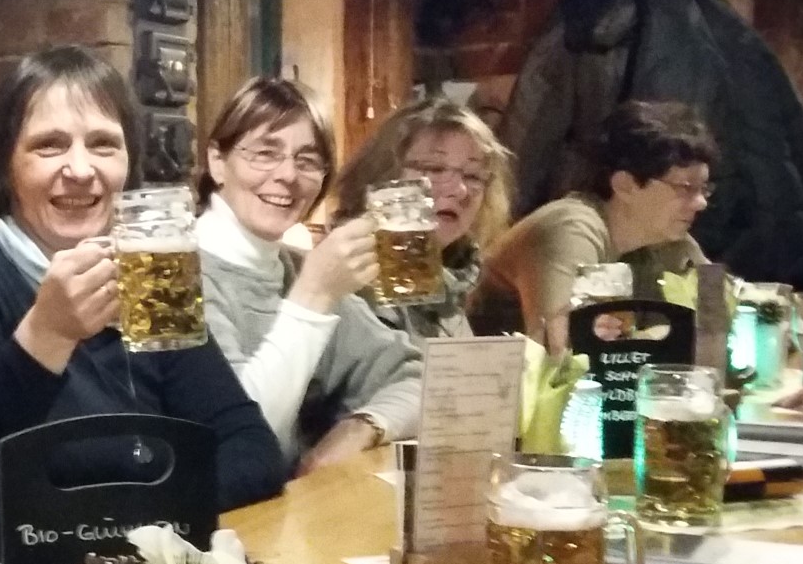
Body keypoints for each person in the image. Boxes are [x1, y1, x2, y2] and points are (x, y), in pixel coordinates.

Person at [0, 47, 286, 564]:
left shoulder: (147, 278)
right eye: (49, 145)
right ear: (5, 165)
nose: (81, 169)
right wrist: (47, 335)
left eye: (104, 144)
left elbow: (251, 448)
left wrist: (138, 531)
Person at [196, 76, 423, 474]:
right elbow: (241, 440)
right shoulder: (176, 279)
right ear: (217, 161)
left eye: (307, 160)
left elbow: (417, 377)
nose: (288, 174)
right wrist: (314, 297)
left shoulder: (297, 267)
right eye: (265, 153)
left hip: (292, 507)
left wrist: (360, 427)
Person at [471, 100, 715, 353]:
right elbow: (563, 353)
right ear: (625, 185)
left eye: (704, 189)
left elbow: (719, 316)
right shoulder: (570, 229)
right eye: (686, 188)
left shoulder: (666, 239)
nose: (701, 203)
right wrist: (672, 335)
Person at [331, 98, 515, 341]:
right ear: (383, 174)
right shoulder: (351, 275)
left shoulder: (455, 278)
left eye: (472, 175)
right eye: (435, 169)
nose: (459, 190)